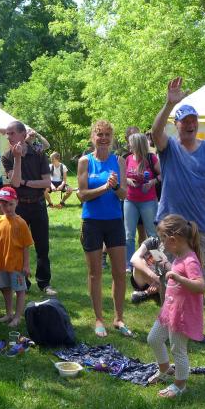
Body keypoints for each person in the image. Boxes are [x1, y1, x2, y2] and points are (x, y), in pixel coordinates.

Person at [150, 77, 205, 286]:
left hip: (198, 226)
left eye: (193, 120)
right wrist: (169, 103)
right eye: (185, 121)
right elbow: (156, 132)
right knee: (166, 278)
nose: (190, 125)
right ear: (176, 125)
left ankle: (191, 310)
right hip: (169, 224)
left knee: (197, 281)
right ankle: (166, 308)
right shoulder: (169, 147)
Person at [77, 120, 133, 338]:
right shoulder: (85, 161)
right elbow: (82, 195)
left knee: (119, 272)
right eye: (99, 134)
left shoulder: (119, 161)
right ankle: (99, 319)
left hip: (114, 221)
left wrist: (116, 186)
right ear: (93, 137)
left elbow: (124, 194)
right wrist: (104, 187)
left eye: (107, 135)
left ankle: (119, 318)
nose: (103, 138)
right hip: (92, 222)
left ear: (112, 138)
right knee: (95, 274)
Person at [146, 214, 205, 398]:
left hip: (182, 314)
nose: (162, 244)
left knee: (177, 349)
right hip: (169, 310)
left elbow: (200, 286)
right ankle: (165, 369)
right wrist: (162, 261)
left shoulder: (190, 260)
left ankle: (180, 385)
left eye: (163, 239)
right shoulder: (180, 256)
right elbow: (173, 268)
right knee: (154, 339)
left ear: (173, 240)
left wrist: (179, 278)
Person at [2, 121, 58, 296]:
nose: (8, 137)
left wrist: (26, 182)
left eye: (12, 133)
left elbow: (46, 182)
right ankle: (22, 283)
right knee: (18, 246)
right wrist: (17, 158)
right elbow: (15, 182)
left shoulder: (38, 152)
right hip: (19, 206)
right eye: (7, 134)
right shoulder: (7, 157)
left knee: (42, 246)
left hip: (38, 204)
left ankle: (44, 283)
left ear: (22, 134)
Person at [0, 187, 33, 328]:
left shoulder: (21, 223)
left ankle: (17, 317)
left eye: (10, 204)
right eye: (3, 205)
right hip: (2, 264)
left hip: (16, 265)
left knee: (20, 290)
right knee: (5, 289)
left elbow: (26, 245)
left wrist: (26, 265)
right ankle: (9, 313)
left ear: (16, 202)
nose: (7, 208)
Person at [123, 133, 160, 270]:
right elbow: (123, 175)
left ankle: (156, 263)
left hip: (148, 201)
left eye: (131, 143)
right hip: (130, 200)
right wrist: (127, 180)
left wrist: (152, 182)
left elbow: (163, 174)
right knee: (129, 234)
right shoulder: (128, 158)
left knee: (152, 234)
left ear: (137, 144)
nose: (129, 145)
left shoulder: (151, 158)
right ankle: (129, 264)